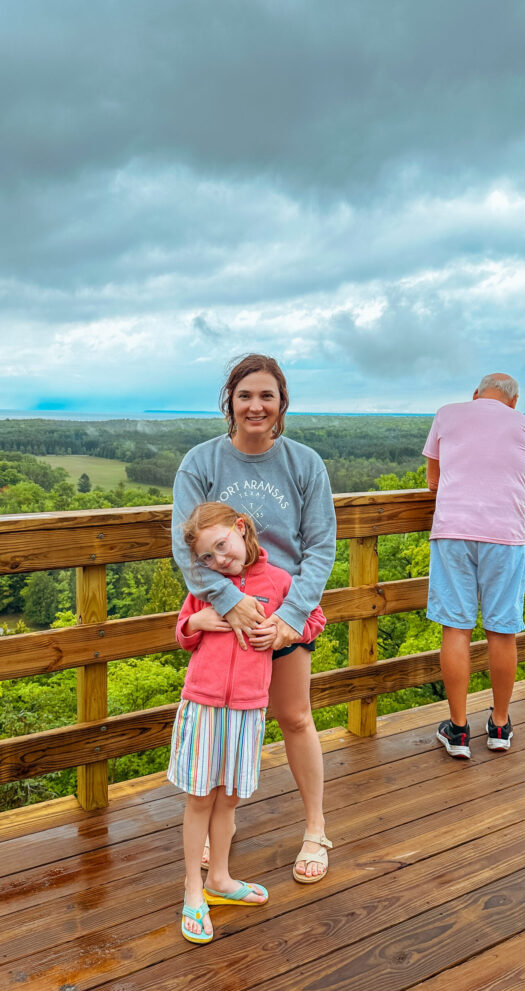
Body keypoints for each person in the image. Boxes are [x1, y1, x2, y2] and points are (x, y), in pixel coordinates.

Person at [171, 353, 336, 883]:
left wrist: (289, 616)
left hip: (283, 614)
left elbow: (321, 547)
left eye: (266, 395)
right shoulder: (201, 462)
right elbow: (184, 548)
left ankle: (315, 828)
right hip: (225, 622)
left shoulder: (304, 463)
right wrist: (228, 602)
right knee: (226, 725)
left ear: (282, 403)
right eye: (245, 396)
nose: (256, 406)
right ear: (231, 403)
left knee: (294, 718)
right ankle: (224, 826)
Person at [170, 502, 326, 943]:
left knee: (230, 799)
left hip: (249, 708)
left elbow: (314, 617)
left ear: (241, 528)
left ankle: (219, 879)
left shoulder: (279, 582)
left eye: (222, 545)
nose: (218, 560)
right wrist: (197, 621)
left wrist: (284, 629)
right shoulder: (208, 587)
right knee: (201, 798)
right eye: (207, 557)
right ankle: (192, 890)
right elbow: (183, 632)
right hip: (203, 704)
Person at [424, 372, 525, 759]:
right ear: (513, 401)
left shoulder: (447, 414)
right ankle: (499, 724)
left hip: (453, 532)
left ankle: (458, 731)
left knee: (456, 628)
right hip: (507, 536)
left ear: (476, 395)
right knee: (502, 629)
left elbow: (432, 481)